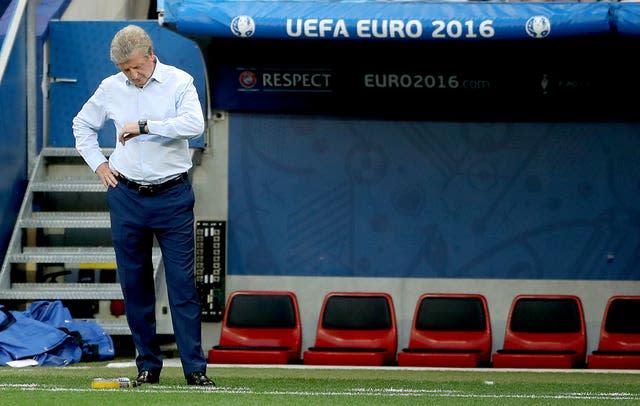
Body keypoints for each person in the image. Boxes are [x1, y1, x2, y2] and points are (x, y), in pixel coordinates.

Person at [72, 24, 214, 386]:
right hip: (126, 194)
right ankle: (147, 366)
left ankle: (195, 370)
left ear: (151, 54)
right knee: (134, 286)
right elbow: (82, 125)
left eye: (137, 67)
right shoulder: (109, 88)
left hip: (173, 196)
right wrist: (99, 164)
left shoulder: (179, 82)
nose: (133, 75)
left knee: (183, 286)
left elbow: (194, 124)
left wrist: (146, 126)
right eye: (125, 70)